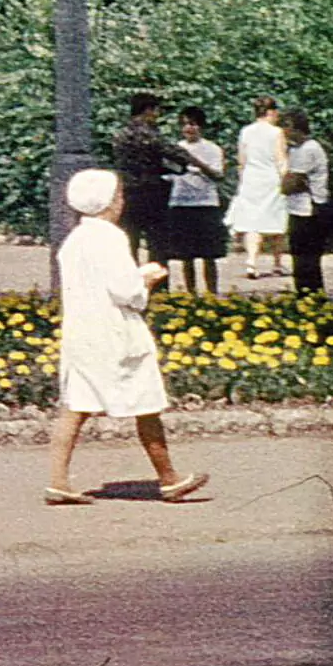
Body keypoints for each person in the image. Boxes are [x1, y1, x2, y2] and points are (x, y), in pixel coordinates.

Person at [44, 168, 206, 507]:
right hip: (116, 331)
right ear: (106, 203)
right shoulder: (111, 238)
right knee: (146, 404)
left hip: (81, 331)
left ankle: (58, 480)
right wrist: (146, 279)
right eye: (118, 196)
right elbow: (124, 290)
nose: (122, 202)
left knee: (75, 406)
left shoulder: (73, 240)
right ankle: (168, 478)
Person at [162, 107, 229, 296]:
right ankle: (191, 294)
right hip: (180, 203)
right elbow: (169, 173)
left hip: (206, 203)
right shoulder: (176, 147)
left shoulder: (212, 149)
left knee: (209, 254)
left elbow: (218, 175)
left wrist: (196, 164)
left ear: (200, 126)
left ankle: (212, 293)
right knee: (186, 255)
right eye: (184, 124)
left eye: (192, 124)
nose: (188, 128)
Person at [223, 96, 291, 281]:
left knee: (252, 222)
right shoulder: (276, 132)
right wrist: (286, 180)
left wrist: (241, 182)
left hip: (251, 180)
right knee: (276, 220)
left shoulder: (246, 132)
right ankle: (277, 263)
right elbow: (281, 159)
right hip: (270, 179)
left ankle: (251, 261)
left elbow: (241, 160)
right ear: (271, 111)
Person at [109, 93, 177, 265]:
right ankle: (159, 288)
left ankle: (127, 282)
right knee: (157, 243)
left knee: (130, 240)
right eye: (156, 111)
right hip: (152, 191)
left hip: (127, 191)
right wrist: (205, 168)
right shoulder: (150, 133)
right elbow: (174, 153)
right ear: (148, 110)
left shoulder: (120, 134)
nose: (157, 115)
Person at [282, 108, 333, 296]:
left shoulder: (309, 149)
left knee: (308, 259)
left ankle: (313, 296)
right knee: (298, 257)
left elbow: (292, 183)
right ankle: (304, 295)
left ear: (298, 129)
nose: (284, 131)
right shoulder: (294, 149)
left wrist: (281, 184)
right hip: (296, 209)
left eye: (287, 127)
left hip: (311, 211)